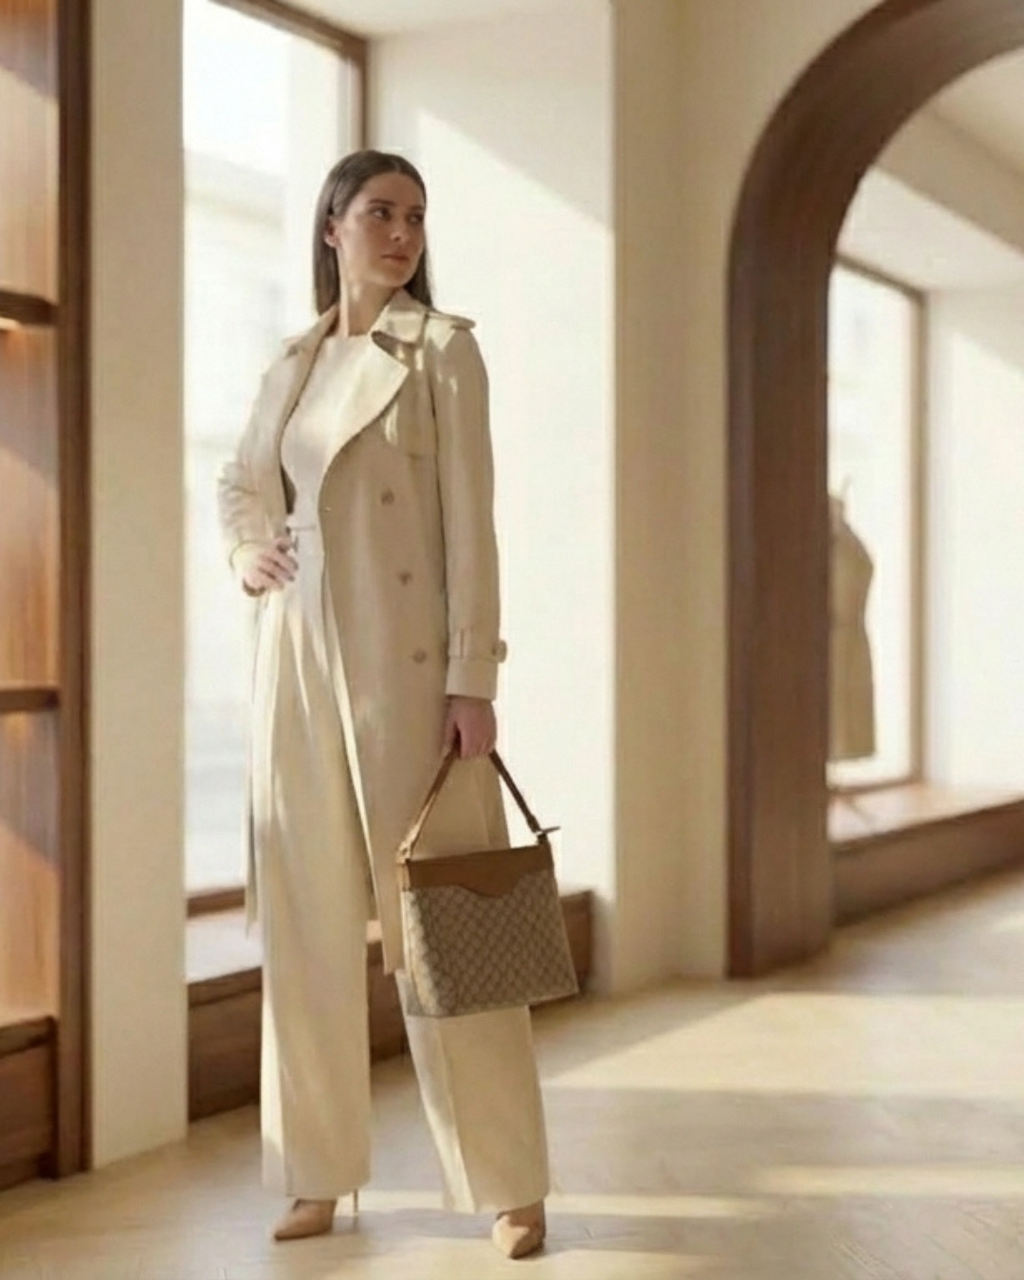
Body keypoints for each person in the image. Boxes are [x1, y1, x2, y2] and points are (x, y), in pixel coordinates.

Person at [217, 149, 550, 1260]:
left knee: (453, 926)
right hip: (294, 669)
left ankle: (510, 1183)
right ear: (331, 227)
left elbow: (475, 525)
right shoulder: (292, 362)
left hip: (409, 678)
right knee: (307, 932)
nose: (400, 233)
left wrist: (473, 678)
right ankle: (315, 1173)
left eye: (413, 216)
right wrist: (248, 550)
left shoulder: (443, 352)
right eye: (378, 213)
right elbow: (239, 481)